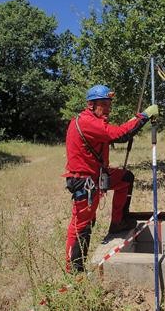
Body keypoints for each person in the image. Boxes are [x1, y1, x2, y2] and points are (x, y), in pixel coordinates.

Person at [63, 84, 159, 273]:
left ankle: (118, 222)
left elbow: (118, 130)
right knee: (82, 225)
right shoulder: (87, 122)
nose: (108, 109)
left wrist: (136, 120)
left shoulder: (92, 120)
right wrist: (145, 116)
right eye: (104, 105)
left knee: (125, 178)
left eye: (109, 105)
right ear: (91, 105)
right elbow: (120, 134)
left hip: (97, 176)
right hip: (85, 181)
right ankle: (74, 271)